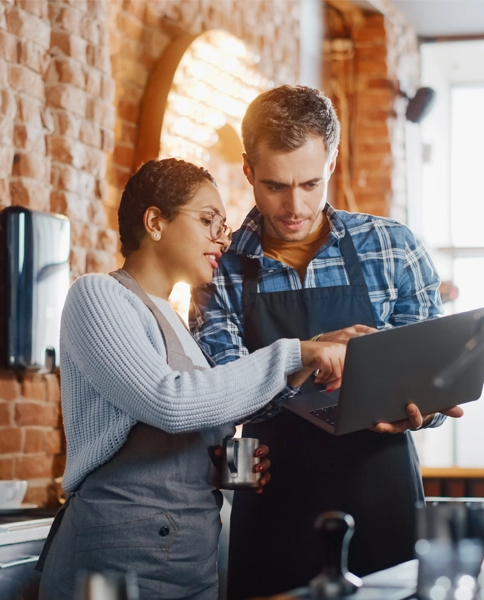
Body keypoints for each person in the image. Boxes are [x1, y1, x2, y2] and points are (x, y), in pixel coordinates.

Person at [190, 85, 464, 599]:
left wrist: (424, 407)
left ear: (333, 161)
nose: (295, 205)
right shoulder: (218, 268)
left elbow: (429, 384)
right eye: (274, 186)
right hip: (274, 502)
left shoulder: (393, 248)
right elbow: (218, 394)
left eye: (310, 183)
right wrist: (309, 354)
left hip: (382, 494)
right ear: (248, 170)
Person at [36, 158, 347, 599]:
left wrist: (215, 466)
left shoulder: (180, 324)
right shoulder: (98, 295)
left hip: (189, 561)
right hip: (116, 562)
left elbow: (181, 422)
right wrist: (295, 353)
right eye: (208, 221)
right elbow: (170, 402)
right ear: (155, 222)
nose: (222, 237)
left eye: (223, 224)